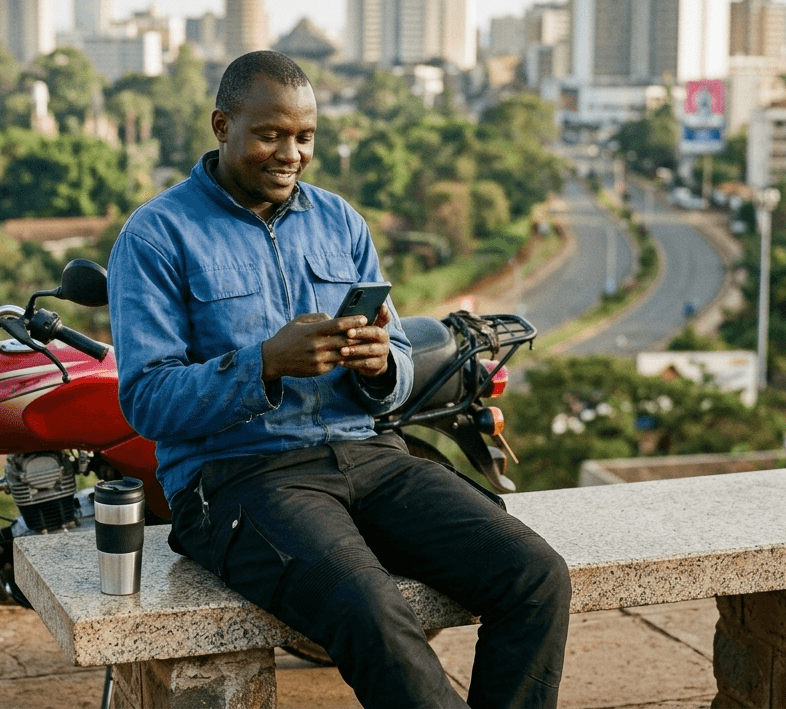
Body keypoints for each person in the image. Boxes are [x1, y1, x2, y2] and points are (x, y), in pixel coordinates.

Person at [108, 50, 570, 708]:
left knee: (535, 574)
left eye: (304, 136)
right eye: (270, 134)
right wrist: (264, 364)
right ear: (221, 125)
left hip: (372, 458)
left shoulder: (340, 222)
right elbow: (146, 401)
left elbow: (402, 360)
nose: (290, 153)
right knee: (370, 607)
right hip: (240, 479)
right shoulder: (157, 237)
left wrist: (382, 364)